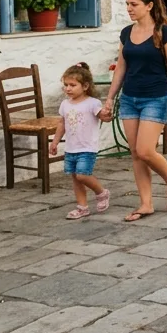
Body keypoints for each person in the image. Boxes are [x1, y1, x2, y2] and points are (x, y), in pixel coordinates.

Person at [100, 0, 167, 223]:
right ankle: (146, 204)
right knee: (136, 154)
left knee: (146, 150)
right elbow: (121, 68)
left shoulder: (164, 32)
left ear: (149, 6)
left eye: (134, 4)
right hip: (129, 98)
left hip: (155, 97)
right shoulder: (126, 33)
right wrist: (109, 99)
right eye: (127, 3)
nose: (129, 8)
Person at [49, 62, 110, 220]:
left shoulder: (92, 103)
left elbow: (102, 116)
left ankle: (101, 193)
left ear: (85, 86)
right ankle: (82, 207)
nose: (68, 88)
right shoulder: (65, 105)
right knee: (76, 178)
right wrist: (55, 141)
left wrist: (107, 114)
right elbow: (62, 123)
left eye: (72, 85)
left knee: (82, 175)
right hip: (71, 147)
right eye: (66, 85)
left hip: (87, 147)